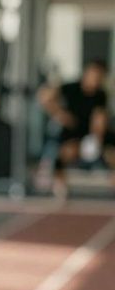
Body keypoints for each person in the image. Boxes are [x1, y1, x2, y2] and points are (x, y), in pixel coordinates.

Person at [35, 58, 110, 198]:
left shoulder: (101, 95)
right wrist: (59, 114)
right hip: (71, 133)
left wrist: (95, 139)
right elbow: (44, 96)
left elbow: (99, 118)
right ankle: (59, 186)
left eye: (99, 77)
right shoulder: (70, 88)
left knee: (111, 152)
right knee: (62, 154)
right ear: (87, 73)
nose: (96, 79)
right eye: (94, 75)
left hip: (89, 134)